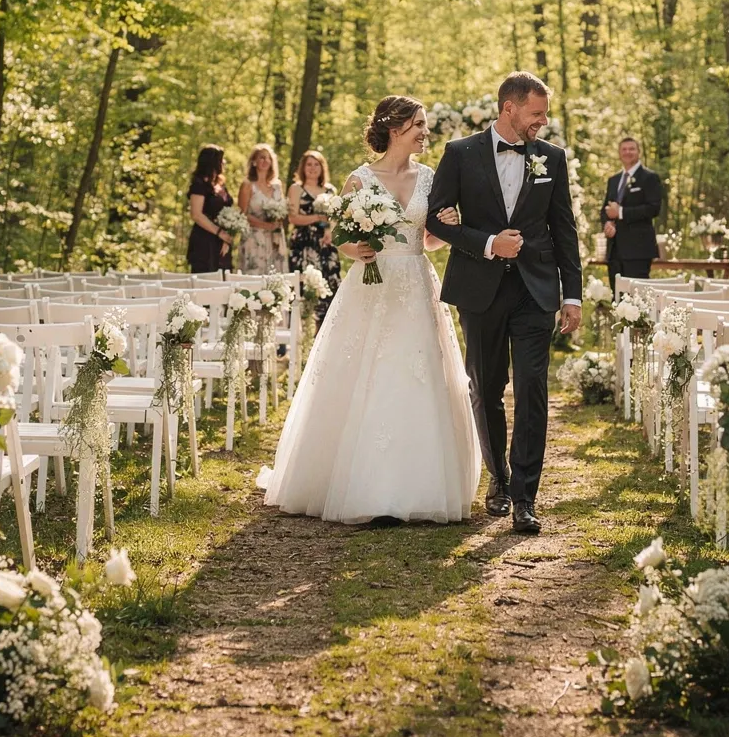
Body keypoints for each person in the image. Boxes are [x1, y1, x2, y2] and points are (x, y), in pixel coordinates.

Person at [261, 97, 480, 525]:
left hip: (416, 284)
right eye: (418, 125)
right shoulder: (359, 180)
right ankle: (363, 487)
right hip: (371, 285)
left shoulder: (431, 178)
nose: (425, 133)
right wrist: (355, 248)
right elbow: (338, 236)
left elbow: (430, 240)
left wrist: (448, 226)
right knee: (367, 372)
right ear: (395, 128)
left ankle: (414, 486)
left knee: (415, 374)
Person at [425, 71, 583, 536]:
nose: (543, 122)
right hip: (480, 288)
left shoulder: (551, 157)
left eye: (545, 114)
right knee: (486, 386)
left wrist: (571, 294)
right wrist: (490, 242)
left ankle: (526, 497)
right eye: (536, 113)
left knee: (532, 388)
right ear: (509, 108)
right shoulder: (460, 153)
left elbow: (565, 229)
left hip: (535, 291)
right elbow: (435, 219)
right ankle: (499, 478)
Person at [286, 148, 341, 320]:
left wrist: (329, 231)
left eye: (316, 164)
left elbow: (336, 216)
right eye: (309, 164)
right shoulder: (296, 188)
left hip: (326, 244)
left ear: (322, 167)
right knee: (303, 287)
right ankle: (300, 333)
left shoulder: (330, 190)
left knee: (328, 285)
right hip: (303, 243)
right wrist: (317, 217)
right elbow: (293, 218)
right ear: (303, 167)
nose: (312, 168)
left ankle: (322, 335)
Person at [601, 136, 661, 288]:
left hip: (638, 250)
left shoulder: (649, 178)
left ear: (638, 152)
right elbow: (605, 209)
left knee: (637, 301)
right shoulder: (613, 180)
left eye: (632, 149)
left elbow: (653, 208)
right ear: (619, 153)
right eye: (624, 149)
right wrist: (607, 224)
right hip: (614, 250)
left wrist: (621, 213)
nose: (628, 152)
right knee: (617, 299)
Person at [233, 143, 288, 274]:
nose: (265, 161)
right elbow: (242, 215)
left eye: (268, 158)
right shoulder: (248, 185)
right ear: (254, 162)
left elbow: (283, 209)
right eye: (261, 157)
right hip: (254, 238)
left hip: (275, 239)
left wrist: (277, 221)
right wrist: (265, 225)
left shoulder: (277, 185)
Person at [185, 144, 233, 273]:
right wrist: (219, 232)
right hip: (205, 241)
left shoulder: (221, 185)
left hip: (222, 242)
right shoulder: (199, 185)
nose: (224, 163)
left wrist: (227, 237)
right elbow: (196, 214)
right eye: (221, 160)